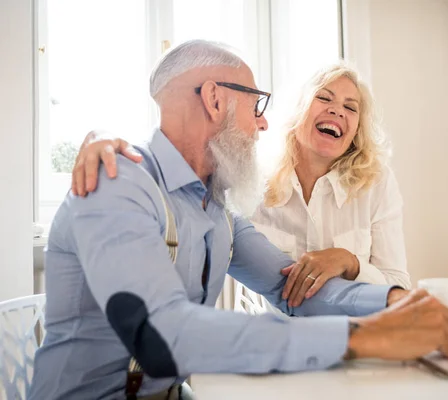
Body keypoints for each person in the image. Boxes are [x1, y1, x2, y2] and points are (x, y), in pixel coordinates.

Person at [29, 40, 448, 400]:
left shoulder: (217, 213)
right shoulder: (116, 183)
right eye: (256, 104)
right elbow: (164, 337)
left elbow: (290, 288)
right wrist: (361, 338)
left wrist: (392, 303)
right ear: (215, 99)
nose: (263, 123)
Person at [73, 62, 410, 311]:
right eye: (325, 98)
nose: (337, 110)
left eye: (351, 108)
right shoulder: (243, 180)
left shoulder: (376, 185)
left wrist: (361, 271)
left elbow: (287, 287)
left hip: (351, 340)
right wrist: (100, 138)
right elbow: (176, 158)